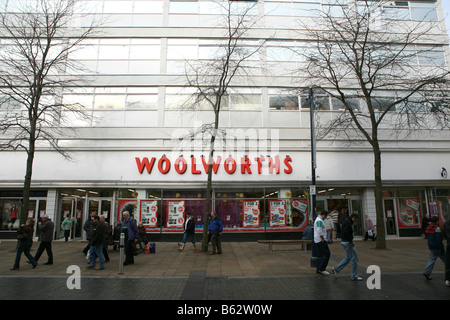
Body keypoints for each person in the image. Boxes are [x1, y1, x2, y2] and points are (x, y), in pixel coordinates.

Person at [332, 213, 363, 281]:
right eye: (356, 219)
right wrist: (351, 241)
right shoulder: (348, 222)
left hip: (345, 242)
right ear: (353, 217)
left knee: (348, 257)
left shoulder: (346, 221)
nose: (355, 221)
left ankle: (336, 269)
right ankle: (354, 275)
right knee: (354, 259)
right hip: (348, 242)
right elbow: (346, 232)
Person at [423, 216, 445, 280]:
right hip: (437, 247)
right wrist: (441, 248)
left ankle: (427, 272)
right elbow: (438, 239)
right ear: (437, 221)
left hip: (431, 246)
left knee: (432, 259)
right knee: (445, 260)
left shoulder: (429, 227)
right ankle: (448, 272)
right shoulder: (437, 228)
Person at [314, 210, 330, 275]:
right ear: (324, 215)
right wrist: (322, 238)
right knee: (326, 254)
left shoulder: (319, 220)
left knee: (320, 255)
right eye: (326, 216)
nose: (326, 217)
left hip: (318, 240)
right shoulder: (319, 221)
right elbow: (319, 230)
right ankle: (322, 268)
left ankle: (319, 268)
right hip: (320, 240)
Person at [443, 219, 450, 287]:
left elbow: (443, 234)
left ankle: (448, 279)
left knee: (448, 262)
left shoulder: (447, 222)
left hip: (449, 245)